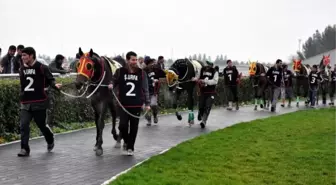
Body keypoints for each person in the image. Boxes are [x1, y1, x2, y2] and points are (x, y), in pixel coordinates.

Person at [18, 47, 62, 157]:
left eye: (25, 55)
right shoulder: (21, 69)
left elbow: (51, 80)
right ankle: (24, 149)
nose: (22, 58)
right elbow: (23, 85)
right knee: (23, 125)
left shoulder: (42, 68)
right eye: (22, 56)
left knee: (41, 126)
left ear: (31, 55)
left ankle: (50, 138)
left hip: (39, 102)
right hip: (26, 102)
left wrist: (54, 85)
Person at [108, 51, 150, 156]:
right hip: (123, 104)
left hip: (136, 104)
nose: (135, 62)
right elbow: (113, 81)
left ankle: (130, 147)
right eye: (133, 60)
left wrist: (147, 103)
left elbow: (145, 89)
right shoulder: (120, 71)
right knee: (122, 126)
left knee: (134, 127)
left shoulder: (141, 73)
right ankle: (126, 141)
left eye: (136, 60)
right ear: (127, 60)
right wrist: (111, 84)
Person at [47, 54, 69, 128]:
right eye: (62, 60)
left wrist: (66, 71)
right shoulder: (52, 64)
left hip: (54, 85)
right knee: (50, 106)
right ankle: (49, 124)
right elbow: (54, 70)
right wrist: (65, 71)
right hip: (50, 86)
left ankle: (53, 122)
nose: (62, 61)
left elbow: (61, 70)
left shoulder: (58, 64)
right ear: (59, 60)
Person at [143, 58, 166, 126]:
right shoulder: (143, 71)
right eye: (151, 63)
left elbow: (165, 75)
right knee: (145, 108)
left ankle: (155, 115)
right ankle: (149, 120)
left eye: (153, 63)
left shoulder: (157, 69)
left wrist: (159, 80)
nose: (153, 64)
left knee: (153, 104)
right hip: (144, 93)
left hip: (154, 91)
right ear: (147, 64)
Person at [197, 60, 219, 128]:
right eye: (207, 64)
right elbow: (198, 77)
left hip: (211, 92)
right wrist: (197, 80)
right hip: (202, 92)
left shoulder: (215, 72)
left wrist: (206, 81)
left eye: (209, 65)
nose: (207, 66)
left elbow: (215, 81)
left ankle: (204, 121)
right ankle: (200, 113)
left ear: (212, 65)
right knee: (201, 106)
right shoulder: (202, 69)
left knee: (208, 106)